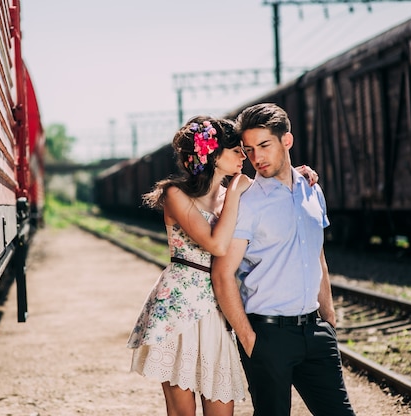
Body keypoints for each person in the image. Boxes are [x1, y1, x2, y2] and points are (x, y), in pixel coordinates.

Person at [127, 116, 318, 416]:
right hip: (180, 309)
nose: (245, 156)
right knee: (182, 412)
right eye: (237, 150)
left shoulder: (237, 192)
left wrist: (298, 175)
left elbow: (275, 192)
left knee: (221, 408)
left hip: (218, 310)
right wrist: (235, 193)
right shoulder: (176, 194)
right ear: (214, 155)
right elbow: (215, 244)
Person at [210, 103, 356, 416]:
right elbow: (222, 274)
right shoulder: (247, 203)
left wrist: (328, 321)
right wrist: (250, 340)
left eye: (264, 145)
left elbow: (317, 256)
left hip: (316, 333)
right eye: (248, 150)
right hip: (269, 336)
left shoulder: (313, 191)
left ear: (286, 141)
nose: (256, 158)